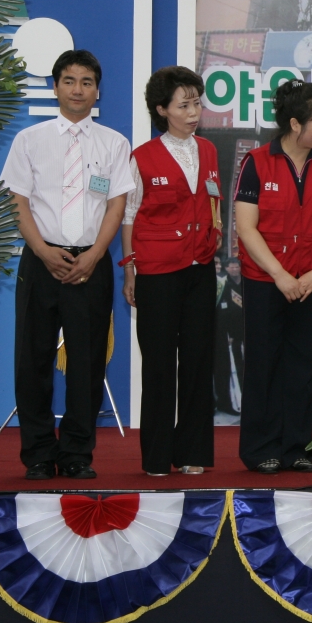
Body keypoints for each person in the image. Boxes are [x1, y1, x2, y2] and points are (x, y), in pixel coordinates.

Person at [2, 49, 135, 481]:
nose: (78, 90)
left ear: (97, 90)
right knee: (33, 360)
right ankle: (38, 453)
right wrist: (42, 250)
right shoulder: (30, 140)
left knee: (88, 363)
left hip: (91, 264)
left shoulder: (114, 143)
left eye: (87, 82)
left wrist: (96, 254)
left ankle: (77, 451)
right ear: (54, 86)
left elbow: (117, 204)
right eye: (69, 81)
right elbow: (17, 200)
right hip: (41, 261)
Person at [233, 79, 312, 474]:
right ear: (295, 124)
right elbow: (247, 228)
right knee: (264, 362)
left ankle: (298, 446)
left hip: (311, 281)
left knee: (304, 365)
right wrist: (280, 275)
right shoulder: (257, 162)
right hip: (267, 279)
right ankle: (260, 448)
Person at [120, 66, 219, 477]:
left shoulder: (209, 150)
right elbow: (129, 215)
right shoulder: (142, 157)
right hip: (157, 271)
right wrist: (130, 271)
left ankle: (192, 451)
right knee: (160, 364)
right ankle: (157, 456)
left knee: (198, 359)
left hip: (200, 268)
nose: (193, 111)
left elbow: (213, 203)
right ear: (163, 110)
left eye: (196, 102)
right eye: (184, 104)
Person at [214, 255, 245, 415]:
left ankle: (235, 401)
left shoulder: (245, 283)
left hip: (240, 333)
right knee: (223, 369)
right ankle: (223, 402)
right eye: (230, 266)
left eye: (236, 266)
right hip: (223, 335)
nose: (234, 269)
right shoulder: (222, 285)